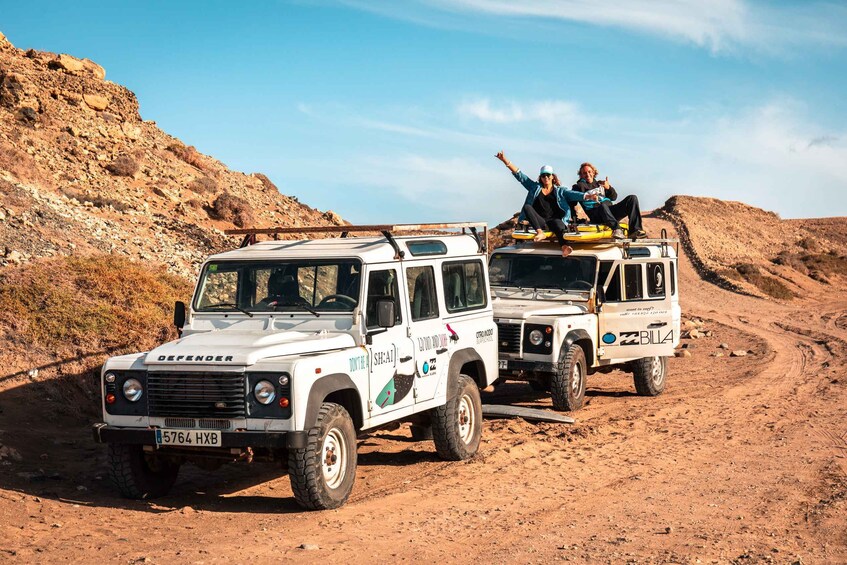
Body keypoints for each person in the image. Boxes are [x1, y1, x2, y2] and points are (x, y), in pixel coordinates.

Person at [496, 151, 597, 257]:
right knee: (527, 207)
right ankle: (540, 232)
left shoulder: (560, 191)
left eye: (548, 175)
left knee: (559, 225)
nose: (546, 178)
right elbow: (520, 176)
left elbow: (573, 194)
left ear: (553, 176)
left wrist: (587, 196)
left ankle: (564, 247)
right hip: (540, 221)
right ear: (541, 177)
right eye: (543, 176)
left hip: (555, 220)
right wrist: (505, 160)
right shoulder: (535, 188)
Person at [572, 162, 647, 240]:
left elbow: (614, 197)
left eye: (589, 172)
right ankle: (617, 229)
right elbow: (571, 202)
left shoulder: (600, 184)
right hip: (596, 214)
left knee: (632, 198)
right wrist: (575, 219)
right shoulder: (577, 187)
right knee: (602, 205)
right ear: (581, 175)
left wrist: (609, 188)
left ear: (594, 172)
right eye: (584, 173)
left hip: (609, 212)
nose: (587, 174)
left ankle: (635, 230)